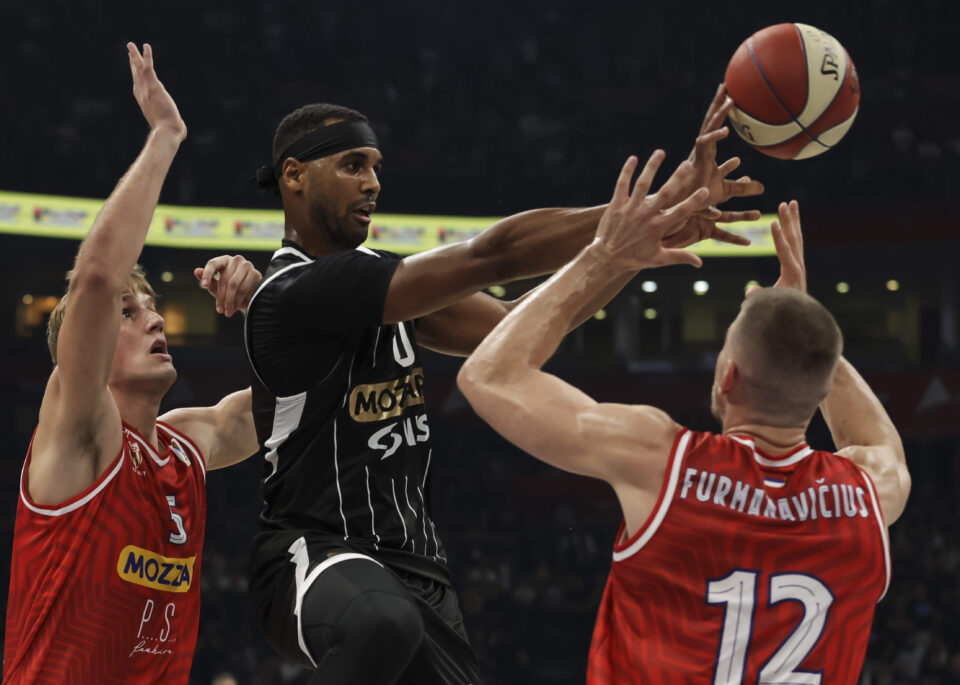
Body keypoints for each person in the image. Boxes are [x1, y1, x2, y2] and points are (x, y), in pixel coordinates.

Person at [243, 86, 763, 683]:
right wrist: (649, 209)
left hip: (417, 570)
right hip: (311, 555)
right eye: (353, 165)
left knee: (391, 620)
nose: (373, 183)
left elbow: (526, 325)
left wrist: (627, 253)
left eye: (377, 168)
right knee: (380, 623)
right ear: (294, 176)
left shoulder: (386, 285)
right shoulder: (293, 292)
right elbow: (497, 255)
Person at [457, 157, 911, 684]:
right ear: (819, 387)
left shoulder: (662, 462)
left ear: (728, 379)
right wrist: (798, 323)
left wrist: (606, 256)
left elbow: (489, 375)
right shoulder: (869, 491)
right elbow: (874, 437)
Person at [2, 43, 262, 683]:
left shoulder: (183, 448)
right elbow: (94, 277)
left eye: (151, 307)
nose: (152, 318)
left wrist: (268, 300)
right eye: (128, 312)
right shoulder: (78, 430)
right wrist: (166, 135)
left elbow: (295, 393)